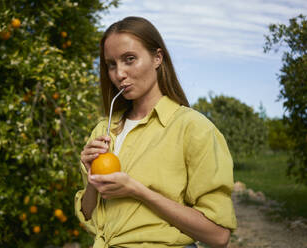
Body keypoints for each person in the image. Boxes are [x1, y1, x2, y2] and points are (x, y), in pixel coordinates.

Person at [75, 16, 237, 248]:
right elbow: (89, 216)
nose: (119, 74)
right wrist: (92, 181)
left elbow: (218, 236)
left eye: (129, 59)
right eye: (112, 64)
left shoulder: (193, 128)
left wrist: (137, 190)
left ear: (157, 58)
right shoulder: (103, 130)